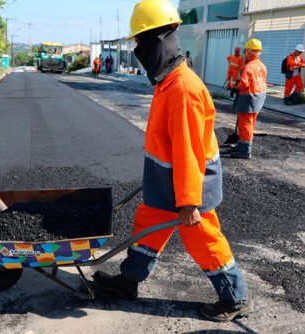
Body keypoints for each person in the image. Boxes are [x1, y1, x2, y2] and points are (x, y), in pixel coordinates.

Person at [91, 0, 251, 322]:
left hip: (190, 186)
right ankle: (128, 282)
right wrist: (154, 178)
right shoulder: (168, 82)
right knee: (147, 226)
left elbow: (189, 151)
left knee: (203, 239)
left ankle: (234, 297)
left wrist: (190, 202)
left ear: (157, 39)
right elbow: (167, 144)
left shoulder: (183, 89)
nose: (137, 48)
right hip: (166, 180)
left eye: (139, 41)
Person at [228, 39, 267, 159]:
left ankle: (245, 151)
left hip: (249, 97)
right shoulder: (261, 65)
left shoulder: (249, 67)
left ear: (249, 52)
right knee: (250, 123)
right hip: (259, 96)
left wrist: (236, 87)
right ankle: (242, 144)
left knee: (245, 124)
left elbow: (244, 84)